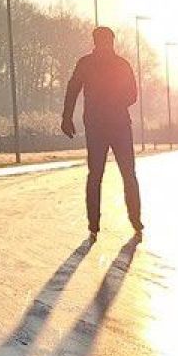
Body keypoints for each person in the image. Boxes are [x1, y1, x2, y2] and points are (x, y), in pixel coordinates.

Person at [62, 26, 142, 236]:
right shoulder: (117, 64)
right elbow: (132, 95)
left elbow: (73, 89)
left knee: (106, 174)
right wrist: (66, 116)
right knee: (120, 173)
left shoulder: (89, 64)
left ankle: (107, 223)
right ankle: (124, 221)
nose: (105, 45)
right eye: (104, 41)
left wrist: (68, 116)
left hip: (104, 125)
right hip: (113, 125)